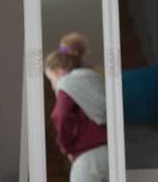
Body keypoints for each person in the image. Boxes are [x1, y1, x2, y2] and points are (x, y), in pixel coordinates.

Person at [44, 34, 109, 182]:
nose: (53, 85)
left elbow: (60, 115)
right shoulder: (96, 79)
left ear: (61, 71)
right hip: (109, 153)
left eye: (51, 79)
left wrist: (65, 147)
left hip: (87, 158)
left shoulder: (67, 84)